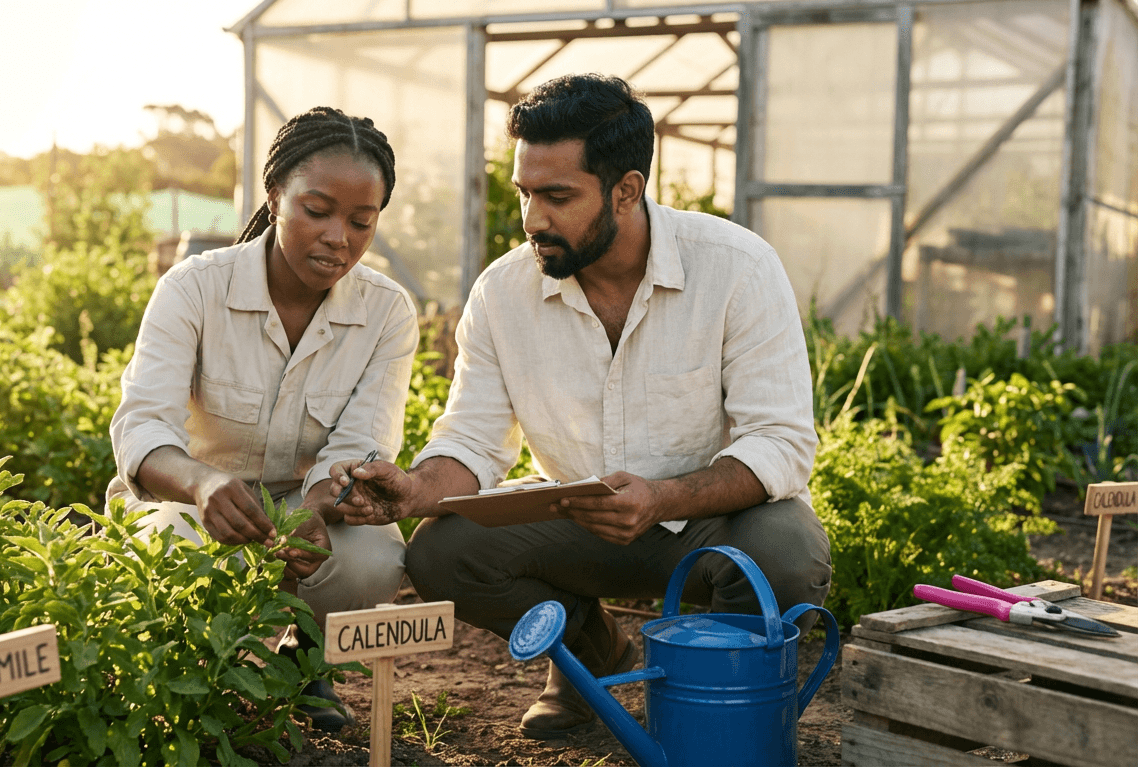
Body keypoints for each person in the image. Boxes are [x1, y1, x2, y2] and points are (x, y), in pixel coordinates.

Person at [329, 74, 831, 739]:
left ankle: (705, 700)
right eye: (525, 193)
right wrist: (413, 490)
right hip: (580, 520)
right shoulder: (504, 293)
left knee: (788, 552)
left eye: (558, 196)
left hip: (709, 524)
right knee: (443, 554)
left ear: (627, 190)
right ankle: (590, 663)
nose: (534, 218)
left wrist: (660, 497)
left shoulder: (736, 269)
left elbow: (781, 440)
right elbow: (475, 441)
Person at [107, 106, 418, 732]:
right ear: (275, 196)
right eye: (317, 210)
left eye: (362, 221)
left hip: (307, 506)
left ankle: (304, 661)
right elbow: (143, 427)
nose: (340, 237)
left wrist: (319, 506)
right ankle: (192, 677)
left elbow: (362, 443)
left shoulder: (386, 312)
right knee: (169, 543)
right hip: (193, 505)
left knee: (374, 561)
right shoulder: (194, 289)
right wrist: (202, 482)